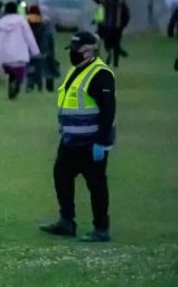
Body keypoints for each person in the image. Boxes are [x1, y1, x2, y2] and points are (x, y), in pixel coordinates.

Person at [40, 31, 116, 243]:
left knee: (96, 184)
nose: (72, 54)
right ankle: (66, 222)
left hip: (91, 143)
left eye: (76, 51)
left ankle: (101, 228)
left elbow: (108, 111)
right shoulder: (77, 69)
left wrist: (101, 141)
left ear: (90, 51)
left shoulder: (100, 75)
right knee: (61, 176)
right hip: (70, 141)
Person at [0, 1, 41, 100]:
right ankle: (16, 87)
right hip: (20, 53)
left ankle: (11, 85)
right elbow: (29, 36)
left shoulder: (0, 23)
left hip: (5, 55)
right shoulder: (21, 21)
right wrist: (35, 50)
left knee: (10, 73)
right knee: (19, 74)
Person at [26, 5, 60, 92]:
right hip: (46, 49)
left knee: (32, 68)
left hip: (31, 49)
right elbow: (47, 37)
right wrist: (44, 50)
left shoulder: (26, 22)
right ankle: (48, 87)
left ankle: (31, 86)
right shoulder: (45, 22)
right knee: (49, 68)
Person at [96, 0, 131, 67]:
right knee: (114, 45)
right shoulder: (119, 1)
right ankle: (116, 62)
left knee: (110, 45)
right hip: (115, 27)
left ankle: (113, 60)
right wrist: (123, 25)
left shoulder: (108, 0)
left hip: (110, 27)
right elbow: (127, 15)